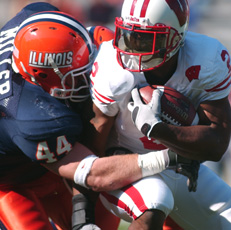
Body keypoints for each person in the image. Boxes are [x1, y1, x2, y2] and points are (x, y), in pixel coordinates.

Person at [0, 2, 180, 230]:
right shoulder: (31, 116)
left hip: (52, 156)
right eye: (77, 74)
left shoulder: (36, 18)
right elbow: (92, 172)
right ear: (43, 78)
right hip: (13, 181)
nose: (88, 73)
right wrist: (167, 158)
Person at [89, 0, 231, 229]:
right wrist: (82, 211)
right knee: (154, 198)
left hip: (180, 167)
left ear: (175, 37)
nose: (134, 46)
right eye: (130, 35)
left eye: (147, 37)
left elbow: (217, 144)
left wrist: (161, 131)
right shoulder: (113, 68)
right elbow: (91, 151)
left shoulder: (205, 58)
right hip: (126, 168)